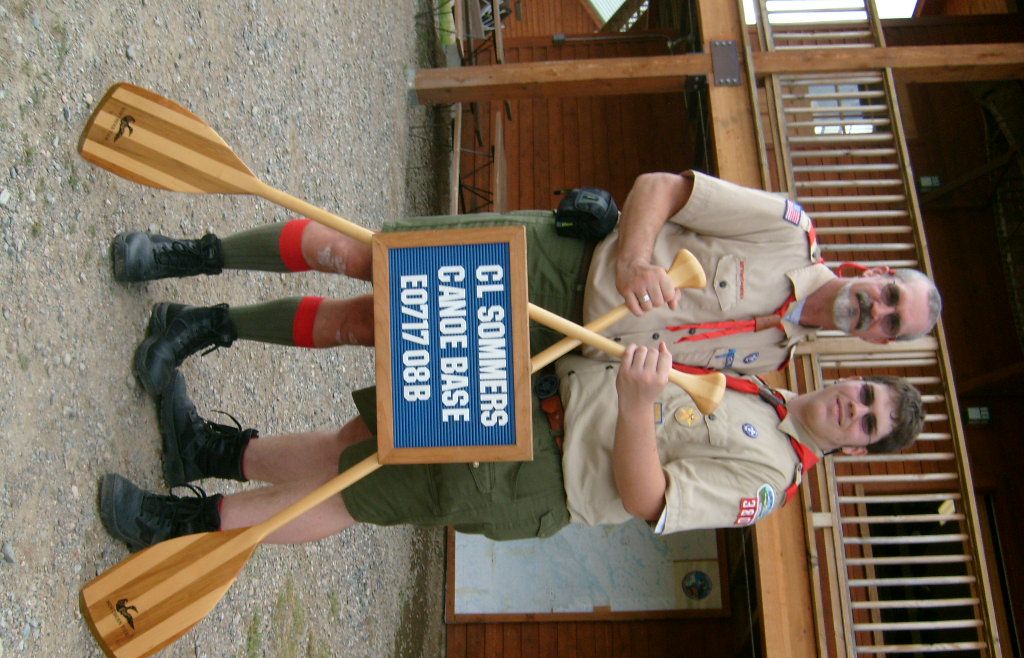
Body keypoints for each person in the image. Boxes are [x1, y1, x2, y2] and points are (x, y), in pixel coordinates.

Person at [112, 170, 943, 398]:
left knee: (362, 327)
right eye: (888, 294)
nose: (876, 310)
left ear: (877, 343)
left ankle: (202, 325)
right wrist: (635, 259)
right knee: (364, 257)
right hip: (555, 263)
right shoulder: (787, 230)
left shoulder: (772, 362)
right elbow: (662, 187)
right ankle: (191, 254)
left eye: (889, 324)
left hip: (550, 347)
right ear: (872, 271)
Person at [97, 343, 925, 550]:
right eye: (864, 393)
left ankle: (177, 527)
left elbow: (649, 500)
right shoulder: (762, 389)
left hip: (535, 476)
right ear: (850, 376)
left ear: (853, 450)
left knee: (357, 495)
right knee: (363, 440)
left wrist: (638, 407)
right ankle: (206, 450)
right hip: (529, 402)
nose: (852, 406)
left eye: (865, 421)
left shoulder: (769, 478)